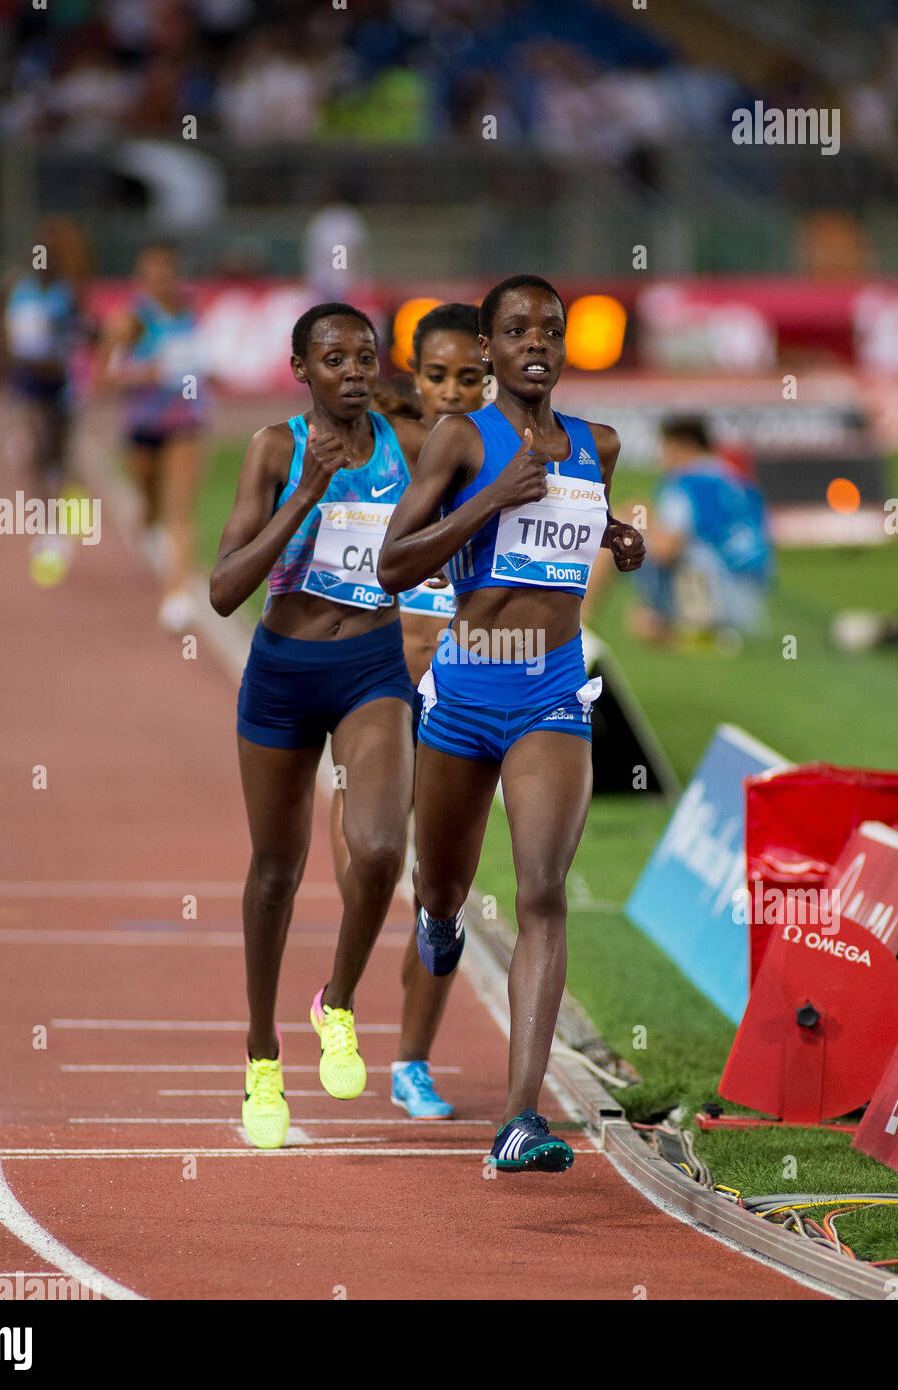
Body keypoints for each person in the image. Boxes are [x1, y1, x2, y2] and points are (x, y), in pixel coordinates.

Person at [378, 275, 645, 1171]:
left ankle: (520, 1117)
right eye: (518, 329)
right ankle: (439, 922)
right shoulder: (462, 437)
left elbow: (571, 525)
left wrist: (615, 537)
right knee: (442, 889)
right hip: (463, 689)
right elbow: (391, 564)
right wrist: (490, 498)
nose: (537, 342)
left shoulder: (596, 445)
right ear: (488, 350)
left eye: (551, 330)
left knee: (539, 893)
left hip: (552, 694)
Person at [209, 302, 427, 1150]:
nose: (351, 369)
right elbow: (225, 588)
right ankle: (263, 1052)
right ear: (301, 369)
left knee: (378, 852)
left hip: (372, 668)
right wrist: (304, 493)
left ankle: (335, 1001)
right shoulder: (275, 449)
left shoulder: (404, 448)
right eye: (332, 357)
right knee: (275, 870)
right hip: (282, 674)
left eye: (363, 356)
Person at [328, 302, 486, 1120]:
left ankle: (412, 1064)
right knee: (366, 870)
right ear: (415, 378)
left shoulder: (504, 462)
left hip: (465, 701)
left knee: (442, 899)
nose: (453, 393)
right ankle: (339, 1002)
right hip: (375, 699)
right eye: (437, 377)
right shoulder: (378, 462)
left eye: (470, 378)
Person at [98, 242, 211, 633]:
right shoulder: (129, 322)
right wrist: (148, 373)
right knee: (149, 507)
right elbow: (102, 381)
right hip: (143, 426)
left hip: (187, 423)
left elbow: (200, 368)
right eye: (153, 275)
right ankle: (147, 524)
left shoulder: (192, 314)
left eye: (168, 273)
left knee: (179, 507)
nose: (162, 282)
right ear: (142, 280)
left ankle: (176, 594)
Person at [1, 216, 94, 586]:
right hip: (27, 385)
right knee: (36, 452)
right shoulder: (18, 291)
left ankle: (71, 499)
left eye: (49, 254)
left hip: (60, 385)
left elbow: (79, 338)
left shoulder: (64, 296)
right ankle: (50, 531)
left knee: (59, 458)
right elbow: (5, 337)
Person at [630, 415, 771, 651]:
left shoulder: (684, 482)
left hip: (717, 600)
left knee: (625, 526)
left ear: (682, 446)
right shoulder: (735, 478)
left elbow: (667, 550)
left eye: (665, 447)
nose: (661, 456)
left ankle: (582, 623)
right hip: (753, 600)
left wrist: (643, 518)